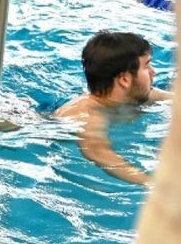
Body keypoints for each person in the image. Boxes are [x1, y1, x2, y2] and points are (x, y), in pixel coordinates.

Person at [54, 30, 172, 185]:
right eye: (147, 66)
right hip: (34, 126)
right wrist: (152, 183)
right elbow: (98, 151)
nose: (153, 72)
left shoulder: (143, 96)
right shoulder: (88, 114)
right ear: (124, 80)